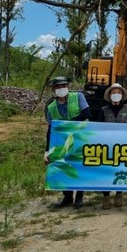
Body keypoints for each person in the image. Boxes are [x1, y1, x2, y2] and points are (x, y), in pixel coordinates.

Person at [44, 76, 91, 209]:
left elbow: (86, 113)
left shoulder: (78, 97)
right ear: (54, 89)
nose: (61, 89)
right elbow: (50, 128)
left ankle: (79, 197)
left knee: (79, 166)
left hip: (80, 137)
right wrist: (47, 150)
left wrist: (67, 124)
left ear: (68, 87)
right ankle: (67, 197)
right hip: (61, 141)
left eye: (64, 86)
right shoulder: (51, 106)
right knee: (63, 167)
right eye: (58, 87)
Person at [97, 83, 127, 209]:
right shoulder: (103, 110)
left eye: (119, 92)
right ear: (109, 95)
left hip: (123, 146)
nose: (116, 95)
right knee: (106, 171)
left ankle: (119, 194)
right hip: (107, 146)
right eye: (114, 92)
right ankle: (106, 196)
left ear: (122, 95)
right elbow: (98, 128)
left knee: (120, 170)